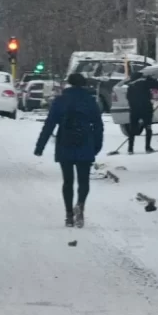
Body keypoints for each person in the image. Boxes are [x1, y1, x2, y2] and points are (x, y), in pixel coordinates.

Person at [34, 72, 104, 227]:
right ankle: (80, 204)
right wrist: (97, 145)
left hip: (65, 143)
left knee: (68, 181)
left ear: (69, 83)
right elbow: (98, 125)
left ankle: (69, 215)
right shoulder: (90, 101)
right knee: (84, 180)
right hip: (85, 143)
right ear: (83, 84)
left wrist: (40, 146)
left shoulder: (60, 101)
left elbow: (49, 124)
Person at [126, 71, 158, 154]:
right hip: (146, 108)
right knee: (148, 128)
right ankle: (148, 147)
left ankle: (130, 149)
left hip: (134, 109)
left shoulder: (131, 85)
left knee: (132, 128)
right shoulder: (146, 82)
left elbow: (128, 98)